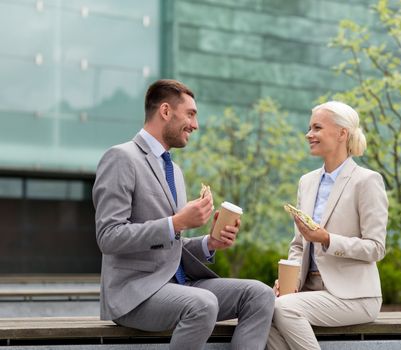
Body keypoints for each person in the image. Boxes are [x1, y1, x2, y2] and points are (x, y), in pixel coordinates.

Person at [92, 79, 274, 350]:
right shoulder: (121, 158)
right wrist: (176, 222)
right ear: (165, 111)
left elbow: (170, 245)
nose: (195, 125)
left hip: (179, 285)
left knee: (260, 294)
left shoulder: (174, 170)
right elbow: (109, 237)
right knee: (203, 304)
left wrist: (209, 243)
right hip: (135, 293)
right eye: (190, 114)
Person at [268, 101, 388, 349]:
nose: (308, 134)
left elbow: (376, 248)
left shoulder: (366, 181)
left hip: (356, 296)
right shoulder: (307, 182)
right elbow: (298, 245)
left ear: (342, 133)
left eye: (317, 128)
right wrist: (289, 282)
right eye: (309, 128)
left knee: (284, 309)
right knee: (261, 310)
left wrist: (327, 239)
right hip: (310, 292)